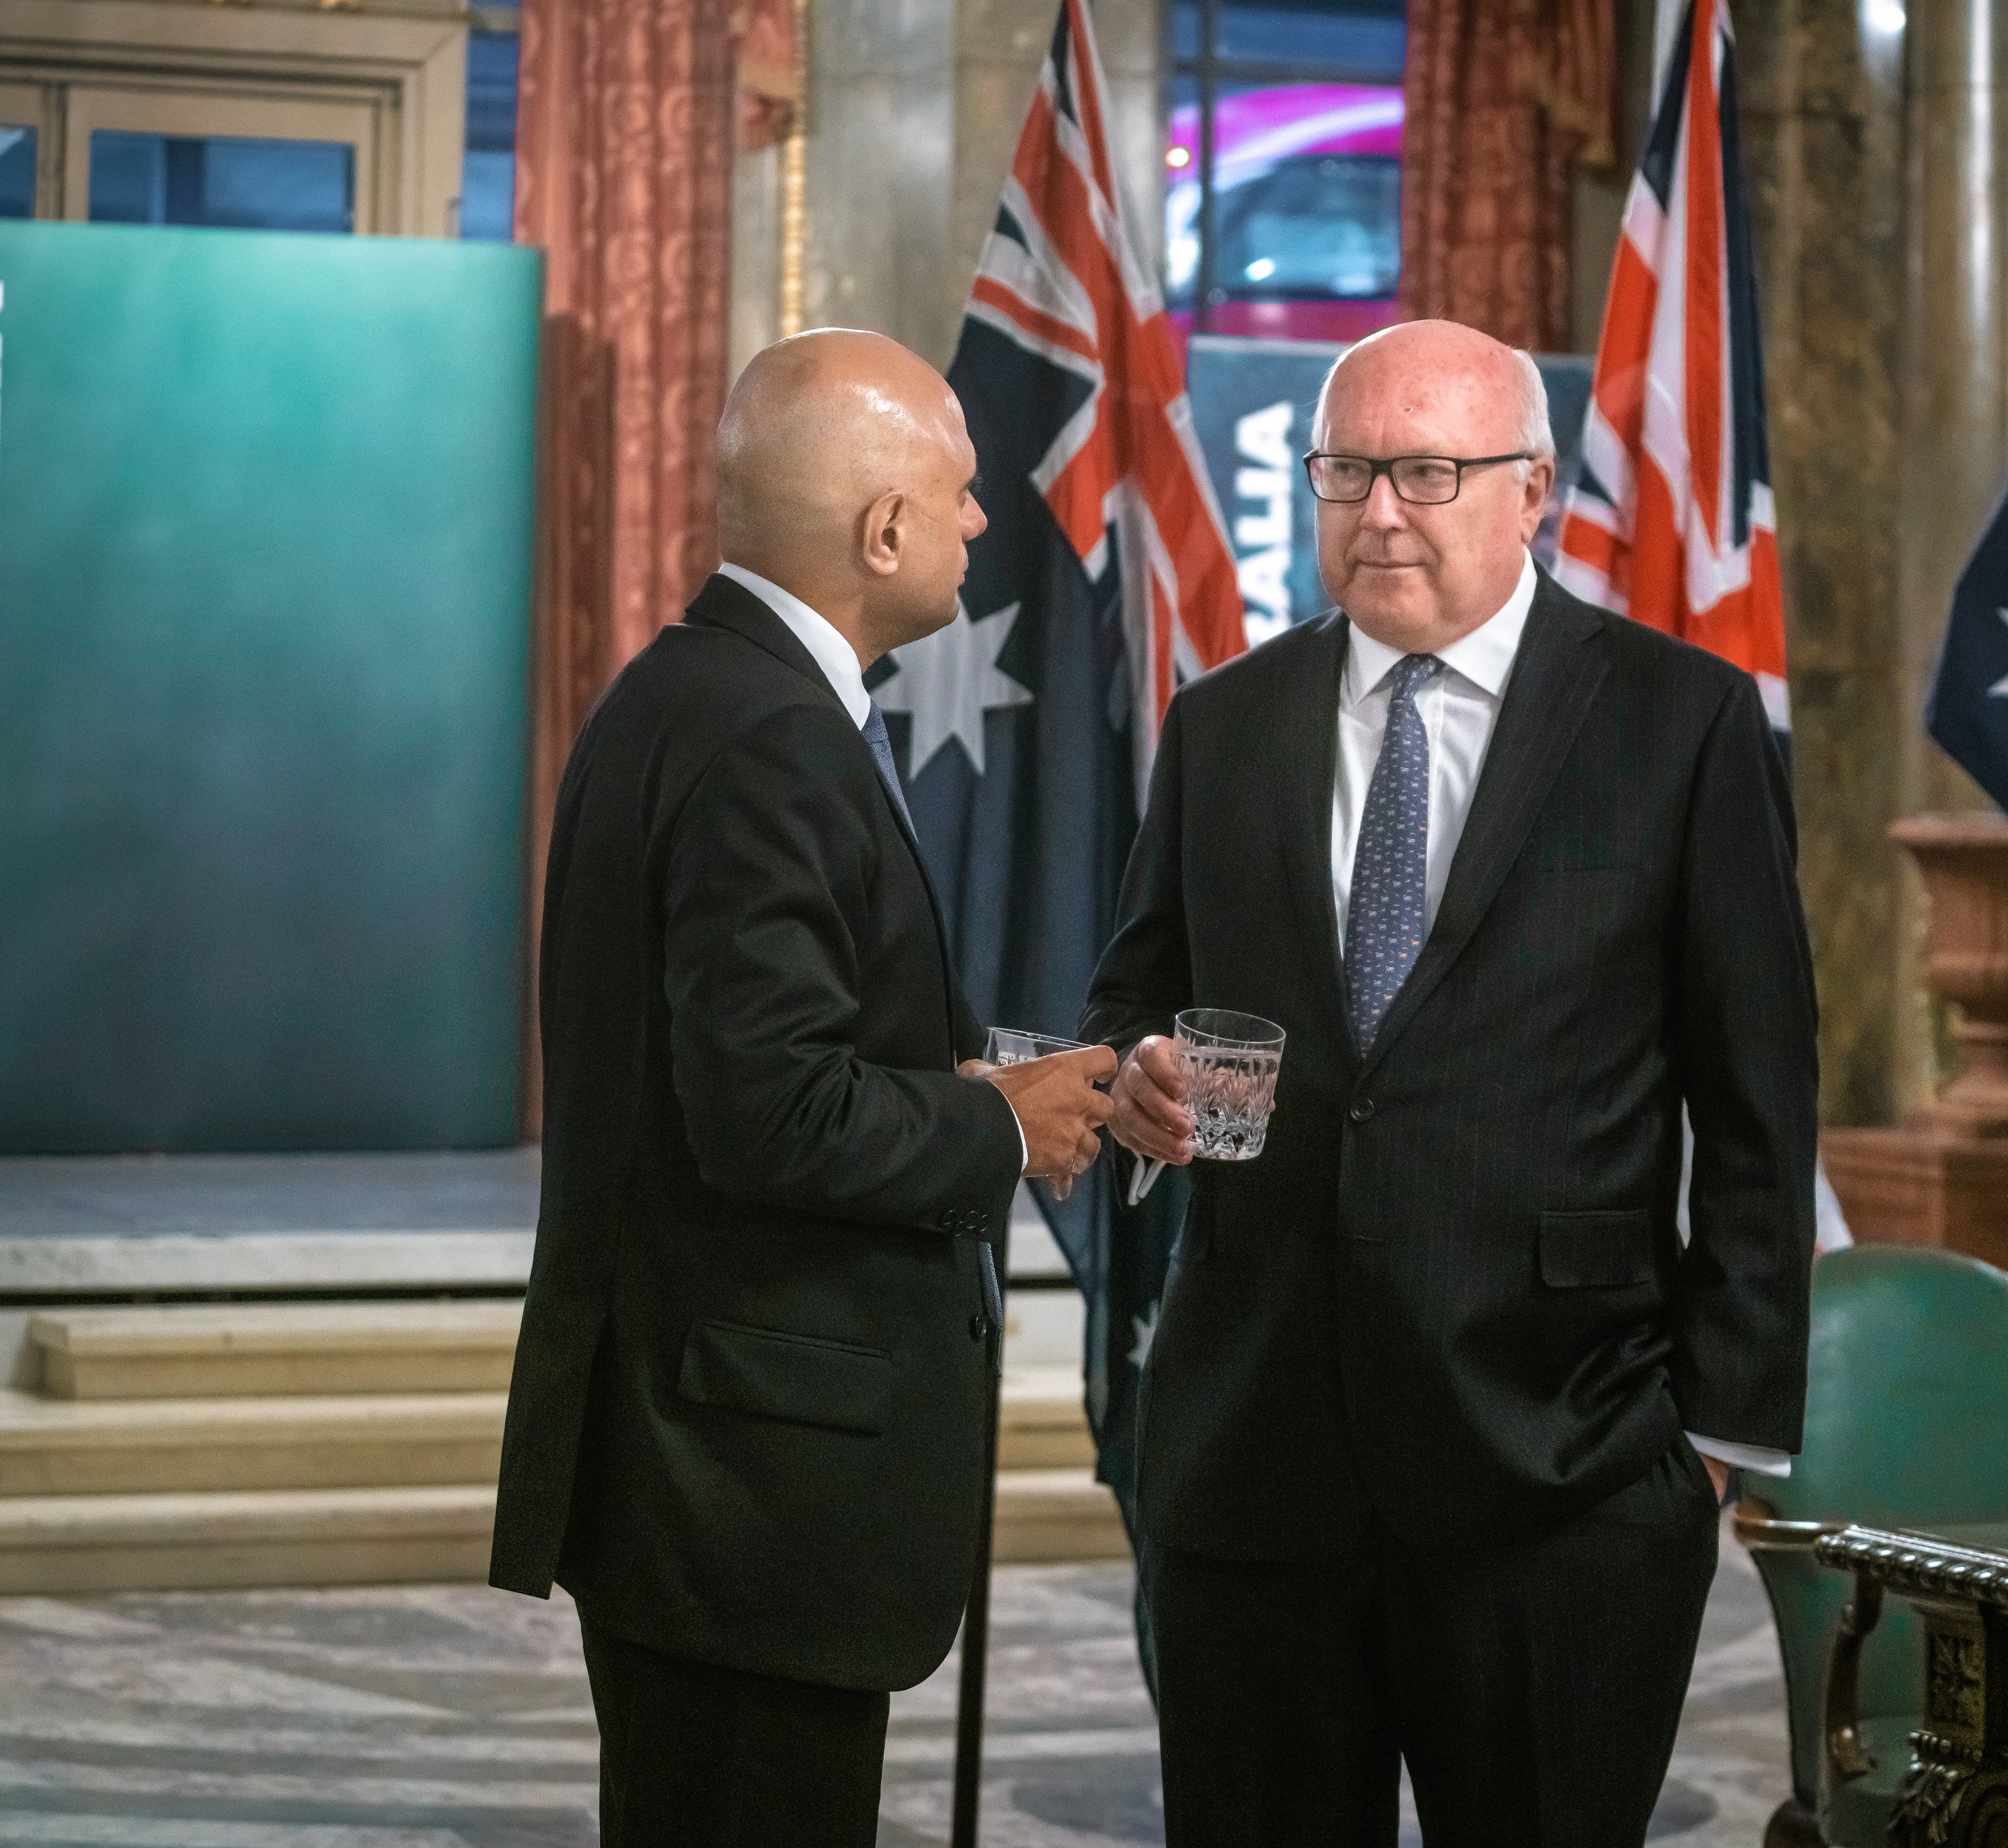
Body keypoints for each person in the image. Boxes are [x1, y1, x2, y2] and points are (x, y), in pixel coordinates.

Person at [1081, 319, 1819, 1846]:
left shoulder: (1676, 720)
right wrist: (1136, 1074)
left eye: (1425, 471)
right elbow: (1133, 996)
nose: (1380, 512)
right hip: (1255, 1458)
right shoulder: (1222, 722)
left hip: (1562, 1469)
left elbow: (1758, 1096)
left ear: (1531, 487)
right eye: (1345, 471)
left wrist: (1711, 1442)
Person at [490, 328, 1117, 1847]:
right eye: (961, 495)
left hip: (711, 1461)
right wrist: (990, 1124)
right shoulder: (770, 732)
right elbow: (766, 1108)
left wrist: (997, 1082)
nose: (982, 525)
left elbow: (763, 1053)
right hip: (742, 1483)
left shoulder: (700, 688)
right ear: (880, 527)